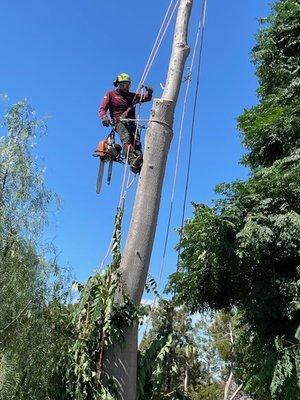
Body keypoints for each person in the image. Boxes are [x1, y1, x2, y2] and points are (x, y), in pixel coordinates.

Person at [99, 73, 153, 173]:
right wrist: (104, 117)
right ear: (119, 84)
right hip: (119, 122)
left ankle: (138, 163)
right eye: (124, 85)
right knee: (126, 138)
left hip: (132, 123)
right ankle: (132, 161)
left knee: (136, 144)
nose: (127, 87)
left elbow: (147, 98)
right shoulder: (111, 94)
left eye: (128, 85)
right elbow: (102, 108)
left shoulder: (132, 96)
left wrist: (149, 91)